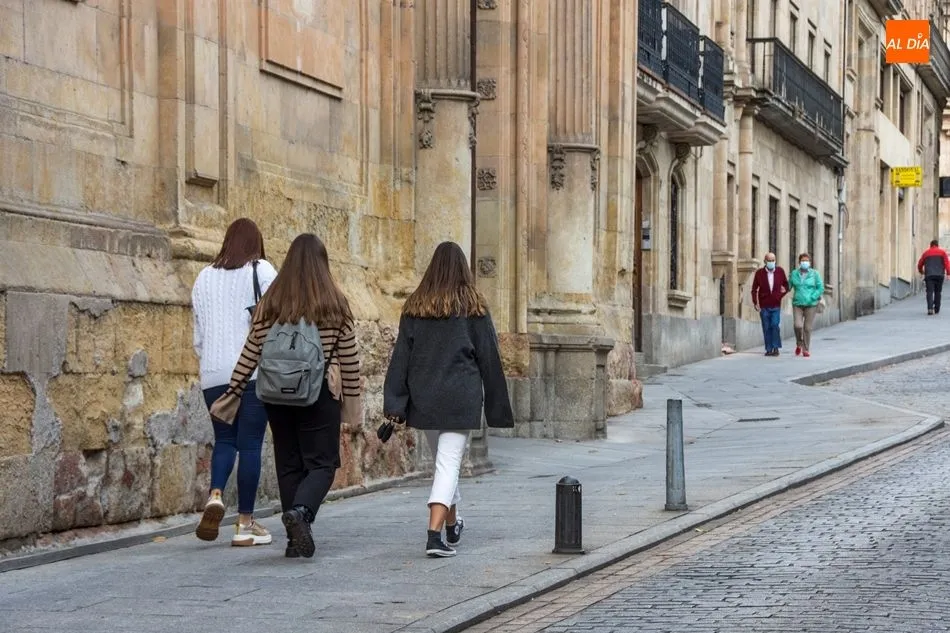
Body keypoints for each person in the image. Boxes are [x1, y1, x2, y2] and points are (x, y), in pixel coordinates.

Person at [209, 234, 362, 559]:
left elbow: (251, 351)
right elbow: (349, 359)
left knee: (289, 464)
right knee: (322, 464)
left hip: (275, 394)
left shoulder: (271, 303)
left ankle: (294, 540)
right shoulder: (334, 304)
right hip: (318, 393)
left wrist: (234, 390)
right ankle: (301, 513)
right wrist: (352, 406)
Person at [383, 242, 514, 558]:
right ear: (463, 270)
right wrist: (497, 405)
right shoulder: (473, 308)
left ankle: (453, 524)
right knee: (448, 463)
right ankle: (434, 535)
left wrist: (395, 402)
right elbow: (489, 359)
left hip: (425, 400)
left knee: (445, 464)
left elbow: (401, 359)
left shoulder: (415, 308)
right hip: (460, 398)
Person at [192, 218, 277, 547]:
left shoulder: (203, 277)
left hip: (212, 373)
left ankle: (215, 495)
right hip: (252, 372)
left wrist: (211, 362)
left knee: (224, 439)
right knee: (251, 444)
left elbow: (198, 336)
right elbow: (279, 320)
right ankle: (244, 524)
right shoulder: (262, 271)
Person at [750, 252, 788, 356]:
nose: (771, 262)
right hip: (764, 305)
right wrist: (755, 302)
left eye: (773, 260)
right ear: (765, 261)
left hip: (776, 305)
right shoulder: (759, 273)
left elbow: (786, 285)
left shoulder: (780, 271)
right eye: (769, 260)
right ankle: (769, 349)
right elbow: (754, 289)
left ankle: (776, 348)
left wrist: (780, 295)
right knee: (766, 327)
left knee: (775, 325)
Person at [788, 252, 824, 358]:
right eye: (803, 260)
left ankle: (806, 349)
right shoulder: (794, 273)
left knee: (807, 328)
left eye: (806, 261)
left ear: (810, 262)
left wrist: (813, 296)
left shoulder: (815, 274)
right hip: (797, 304)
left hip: (811, 305)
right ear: (799, 262)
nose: (805, 262)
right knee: (798, 325)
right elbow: (788, 286)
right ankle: (799, 343)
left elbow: (820, 287)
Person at [916, 239, 950, 315]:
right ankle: (937, 309)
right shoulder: (942, 253)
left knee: (929, 292)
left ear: (930, 245)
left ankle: (930, 309)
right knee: (938, 292)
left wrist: (921, 271)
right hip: (939, 275)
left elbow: (920, 264)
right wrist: (948, 273)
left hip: (929, 275)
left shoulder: (926, 253)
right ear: (937, 245)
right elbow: (947, 263)